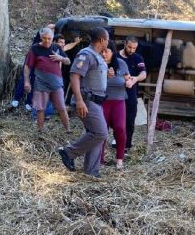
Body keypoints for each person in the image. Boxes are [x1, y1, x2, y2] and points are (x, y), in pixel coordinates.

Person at [58, 27, 111, 177]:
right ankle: (68, 152)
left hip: (96, 101)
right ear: (102, 40)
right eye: (107, 39)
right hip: (87, 100)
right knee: (100, 133)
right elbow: (75, 76)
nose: (108, 42)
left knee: (95, 134)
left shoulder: (98, 56)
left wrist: (108, 75)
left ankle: (91, 171)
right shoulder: (86, 54)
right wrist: (80, 101)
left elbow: (94, 76)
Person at [23, 27, 71, 132]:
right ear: (40, 38)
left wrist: (60, 58)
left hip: (56, 83)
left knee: (61, 107)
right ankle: (40, 130)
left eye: (49, 38)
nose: (46, 41)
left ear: (52, 38)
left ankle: (68, 130)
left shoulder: (57, 48)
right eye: (44, 38)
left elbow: (68, 61)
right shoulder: (35, 49)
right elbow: (27, 66)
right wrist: (26, 81)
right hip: (41, 83)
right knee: (40, 108)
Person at [99, 44, 130, 169]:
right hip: (102, 101)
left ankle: (119, 159)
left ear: (113, 52)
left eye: (106, 51)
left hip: (118, 100)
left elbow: (127, 77)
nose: (103, 54)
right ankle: (99, 159)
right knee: (101, 131)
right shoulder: (97, 63)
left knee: (120, 128)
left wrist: (129, 82)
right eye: (102, 51)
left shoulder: (121, 64)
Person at [118, 36, 147, 155]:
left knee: (130, 119)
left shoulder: (137, 57)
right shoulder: (115, 56)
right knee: (117, 120)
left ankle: (127, 145)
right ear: (124, 43)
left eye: (134, 48)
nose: (131, 50)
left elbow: (143, 73)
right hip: (116, 93)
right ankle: (117, 140)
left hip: (131, 93)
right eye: (129, 47)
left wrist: (135, 79)